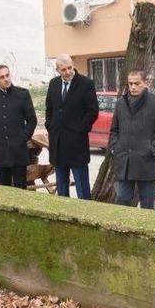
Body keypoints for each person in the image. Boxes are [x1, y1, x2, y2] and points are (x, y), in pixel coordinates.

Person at [108, 70, 155, 209]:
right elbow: (114, 130)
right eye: (130, 83)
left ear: (145, 83)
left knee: (147, 204)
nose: (133, 87)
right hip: (124, 161)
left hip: (146, 162)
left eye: (137, 83)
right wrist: (115, 148)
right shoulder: (120, 103)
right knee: (122, 201)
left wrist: (152, 150)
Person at [45, 54, 99, 199]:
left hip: (77, 143)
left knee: (82, 185)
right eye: (63, 70)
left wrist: (81, 129)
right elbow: (49, 109)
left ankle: (85, 215)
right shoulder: (53, 84)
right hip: (58, 143)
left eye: (70, 68)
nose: (68, 72)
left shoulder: (86, 83)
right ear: (57, 70)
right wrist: (50, 126)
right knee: (61, 186)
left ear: (73, 64)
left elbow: (92, 111)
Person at [0, 64, 37, 189]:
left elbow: (32, 120)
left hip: (19, 152)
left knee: (20, 190)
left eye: (7, 75)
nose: (6, 79)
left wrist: (23, 137)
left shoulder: (22, 94)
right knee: (4, 192)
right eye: (1, 77)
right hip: (0, 152)